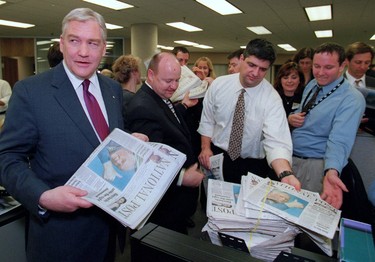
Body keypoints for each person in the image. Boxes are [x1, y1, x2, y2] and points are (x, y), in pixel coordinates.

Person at [0, 8, 145, 261]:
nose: (83, 51)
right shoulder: (31, 92)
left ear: (103, 49)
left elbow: (103, 143)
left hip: (109, 228)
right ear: (62, 44)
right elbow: (7, 158)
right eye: (74, 40)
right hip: (60, 236)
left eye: (93, 43)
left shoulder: (112, 89)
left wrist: (129, 145)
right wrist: (43, 196)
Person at [198, 38, 301, 190]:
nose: (255, 73)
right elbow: (208, 120)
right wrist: (205, 148)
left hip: (253, 165)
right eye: (251, 65)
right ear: (241, 59)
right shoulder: (219, 85)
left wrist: (285, 174)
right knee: (214, 206)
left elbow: (277, 142)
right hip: (219, 157)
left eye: (262, 69)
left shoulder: (271, 99)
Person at [125, 52, 204, 234]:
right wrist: (182, 177)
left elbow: (166, 123)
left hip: (173, 205)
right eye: (168, 81)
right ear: (151, 75)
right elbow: (148, 163)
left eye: (177, 80)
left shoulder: (157, 96)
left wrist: (183, 107)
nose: (174, 86)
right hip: (163, 208)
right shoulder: (142, 107)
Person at [289, 42, 366, 209]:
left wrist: (331, 171)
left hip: (316, 166)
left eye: (328, 67)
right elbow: (303, 110)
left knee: (309, 223)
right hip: (292, 160)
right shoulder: (312, 84)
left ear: (342, 66)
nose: (320, 73)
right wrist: (291, 118)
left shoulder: (352, 99)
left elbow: (339, 140)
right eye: (316, 66)